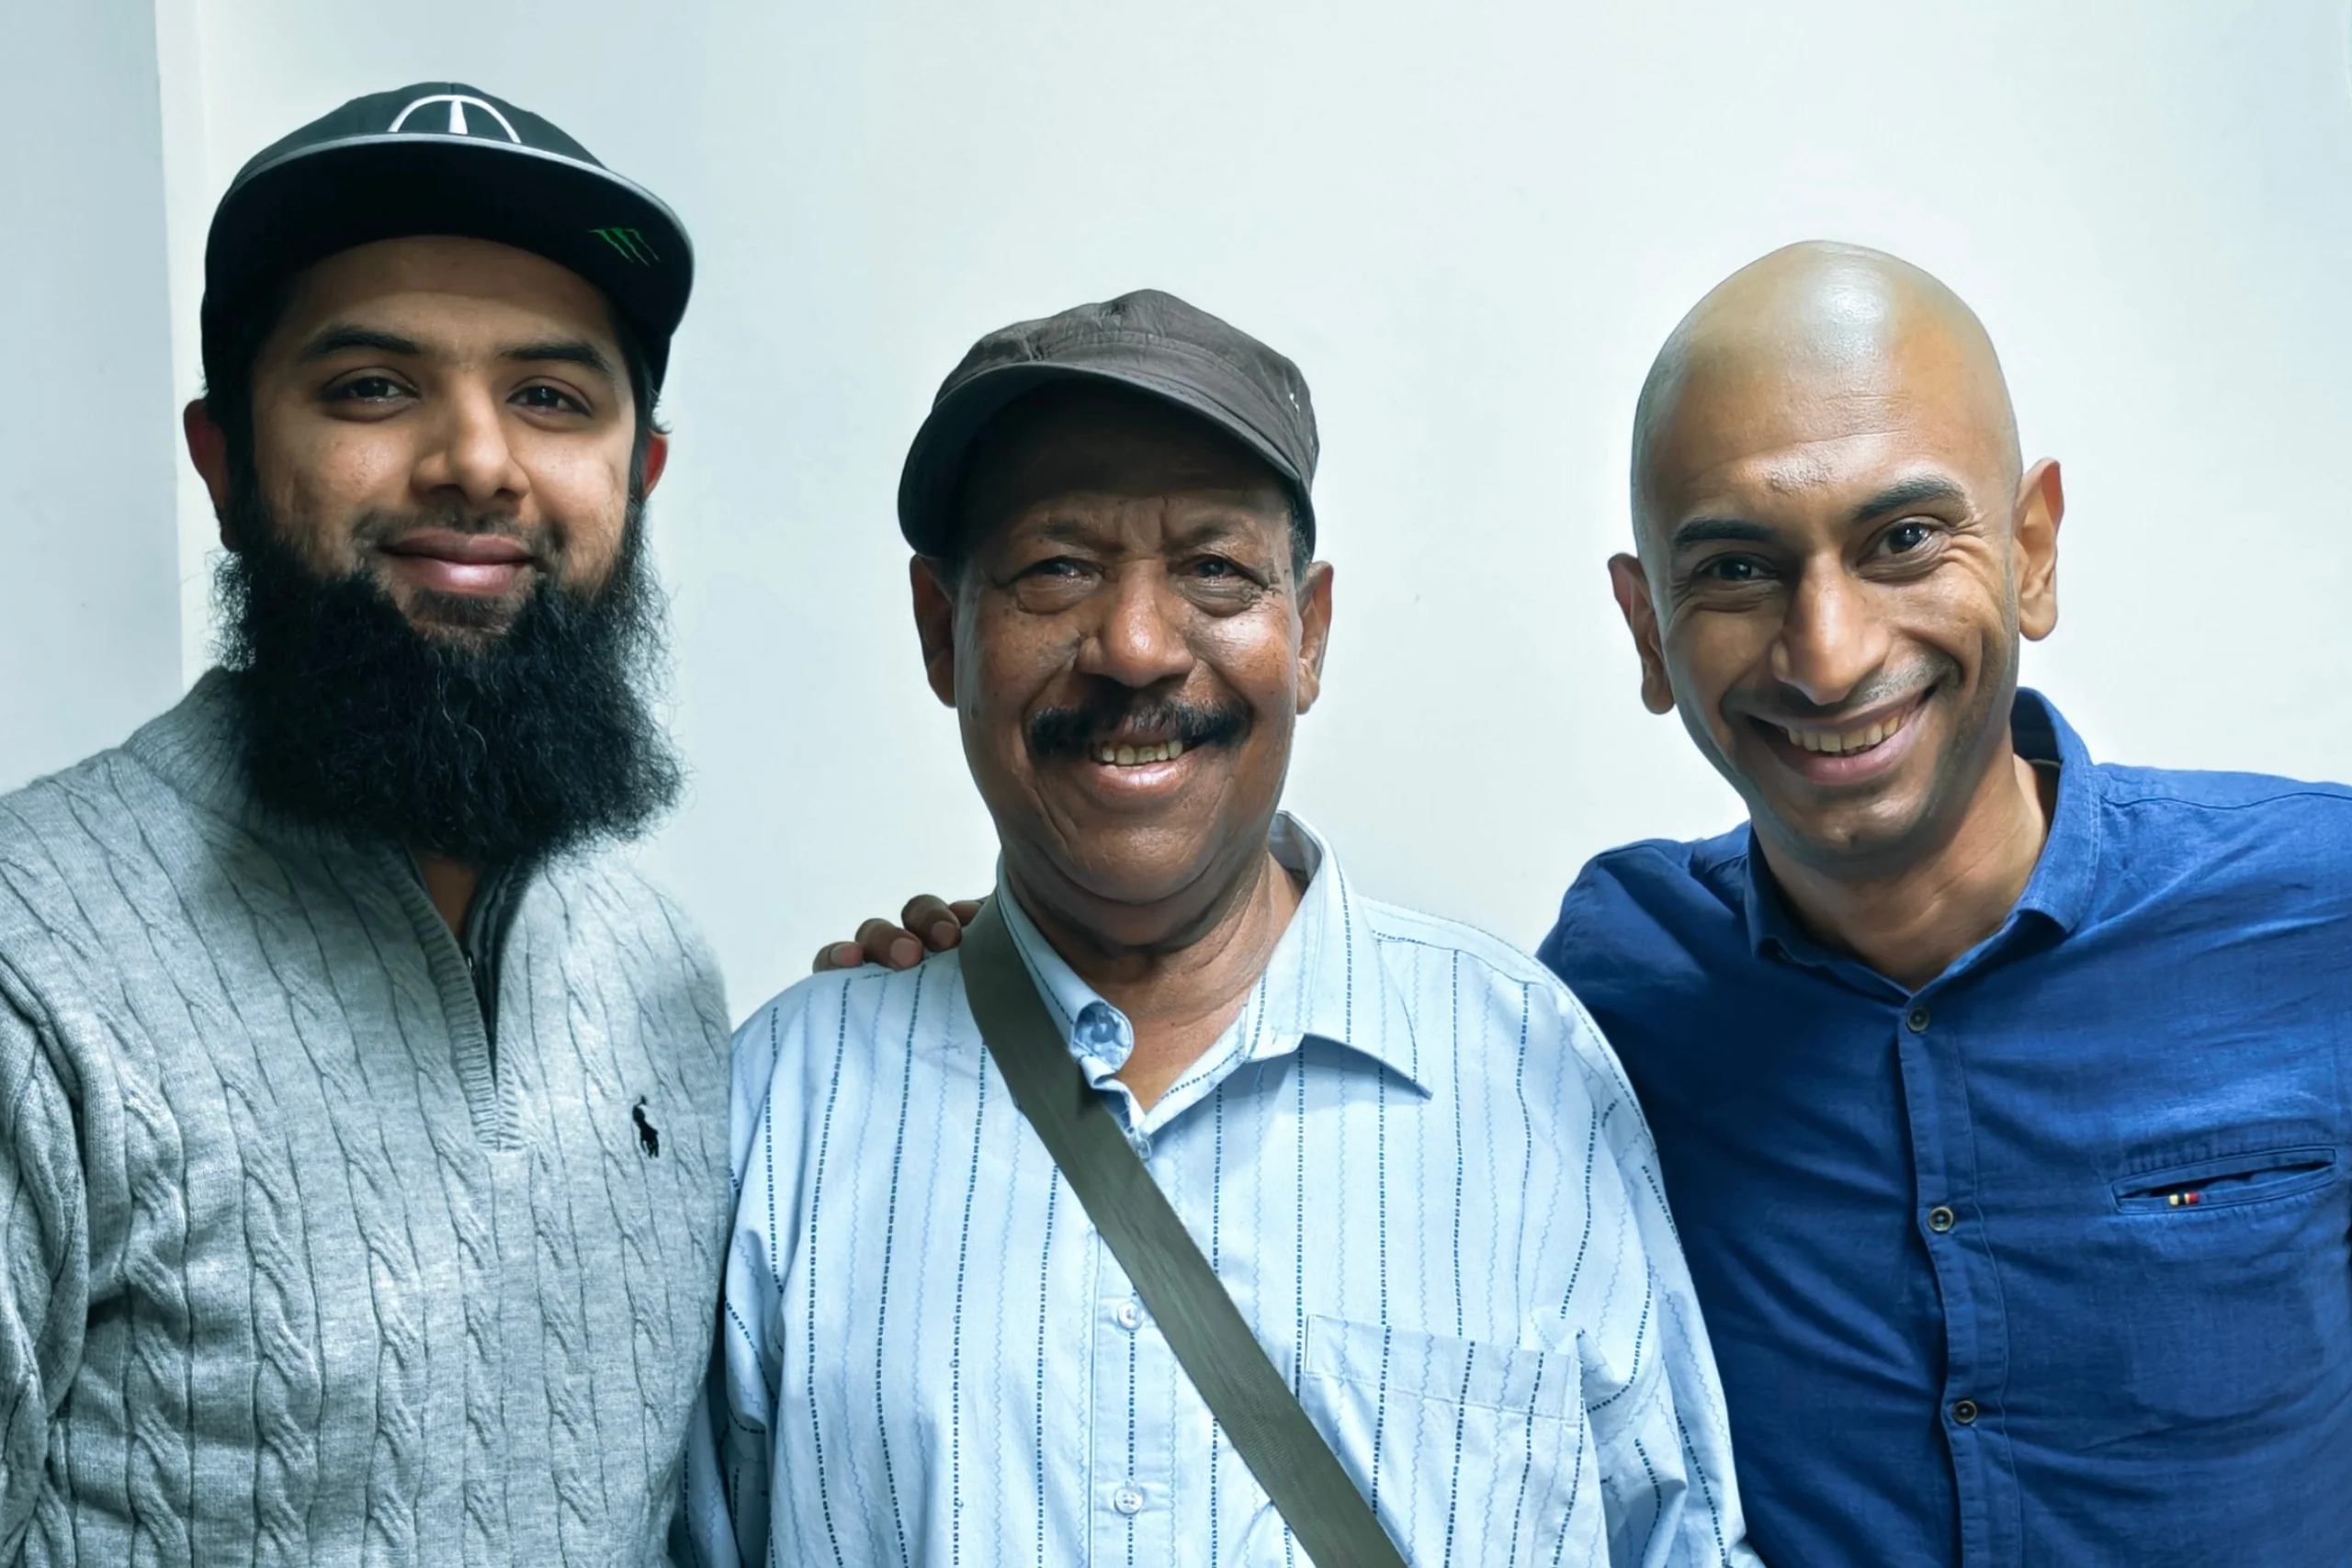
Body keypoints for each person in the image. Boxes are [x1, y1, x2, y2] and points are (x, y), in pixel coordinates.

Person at [824, 243, 2352, 1567]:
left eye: (1902, 539)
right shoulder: (1609, 996)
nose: (1829, 652)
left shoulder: (2319, 915)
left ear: (2030, 550)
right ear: (1646, 628)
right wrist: (1002, 970)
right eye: (1738, 567)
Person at [685, 289, 1754, 1567]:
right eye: (1057, 566)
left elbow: (1680, 1543)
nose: (1136, 646)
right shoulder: (786, 1107)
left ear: (1308, 633)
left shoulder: (1528, 1071)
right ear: (940, 632)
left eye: (1213, 569)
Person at [0, 85, 731, 1566]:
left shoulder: (661, 965)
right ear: (224, 463)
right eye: (373, 387)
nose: (477, 460)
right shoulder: (34, 968)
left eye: (552, 396)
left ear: (637, 479)